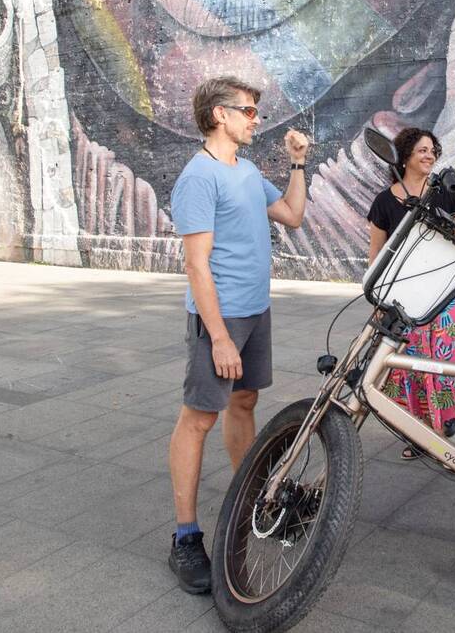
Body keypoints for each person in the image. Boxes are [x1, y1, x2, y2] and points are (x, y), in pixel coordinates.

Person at [166, 76, 310, 594]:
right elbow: (196, 266)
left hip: (256, 310)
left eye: (255, 111)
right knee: (199, 418)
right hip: (220, 320)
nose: (255, 119)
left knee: (244, 401)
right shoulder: (198, 178)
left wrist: (297, 164)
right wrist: (219, 337)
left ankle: (250, 499)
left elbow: (292, 215)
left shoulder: (247, 172)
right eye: (247, 111)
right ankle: (185, 537)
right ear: (218, 115)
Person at [367, 127, 455, 460]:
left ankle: (453, 437)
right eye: (422, 151)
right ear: (403, 158)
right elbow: (376, 255)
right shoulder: (384, 202)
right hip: (404, 299)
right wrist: (377, 299)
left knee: (447, 365)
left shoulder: (445, 194)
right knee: (410, 367)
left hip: (445, 295)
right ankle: (419, 435)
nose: (430, 156)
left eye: (433, 150)